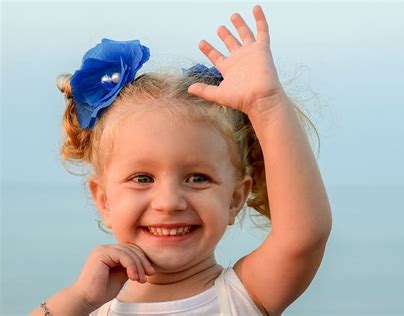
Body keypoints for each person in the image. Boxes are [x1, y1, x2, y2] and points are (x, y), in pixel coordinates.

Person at [30, 5, 332, 316]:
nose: (169, 202)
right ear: (103, 200)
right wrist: (81, 298)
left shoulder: (244, 296)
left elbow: (303, 237)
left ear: (235, 197)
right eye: (143, 178)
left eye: (198, 178)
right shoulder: (93, 309)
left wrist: (267, 106)